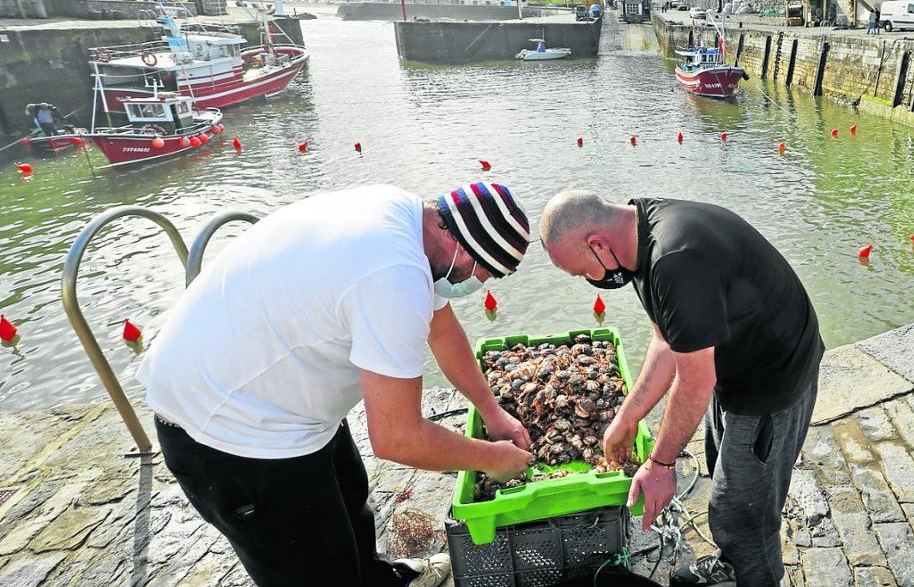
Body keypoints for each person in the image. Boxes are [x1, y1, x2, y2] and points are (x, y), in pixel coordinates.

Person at [139, 183, 535, 587]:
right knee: (315, 569)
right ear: (465, 252)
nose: (479, 286)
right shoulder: (394, 277)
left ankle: (377, 577)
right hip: (229, 429)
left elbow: (443, 329)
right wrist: (490, 459)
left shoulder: (406, 219)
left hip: (283, 398)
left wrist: (492, 410)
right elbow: (398, 438)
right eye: (486, 274)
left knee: (349, 502)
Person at [540, 192, 823, 587]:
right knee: (718, 465)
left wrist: (661, 465)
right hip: (732, 361)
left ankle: (756, 576)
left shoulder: (673, 260)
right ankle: (732, 564)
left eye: (580, 271)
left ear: (597, 244)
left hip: (772, 381)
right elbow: (667, 341)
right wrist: (627, 417)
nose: (588, 280)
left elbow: (695, 380)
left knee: (741, 509)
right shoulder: (635, 234)